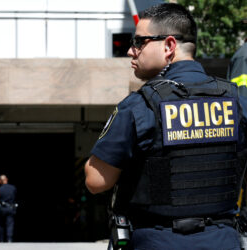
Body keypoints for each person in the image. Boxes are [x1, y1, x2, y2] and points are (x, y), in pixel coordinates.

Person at [84, 3, 247, 250]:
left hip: (158, 240)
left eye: (139, 42)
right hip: (223, 240)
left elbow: (95, 180)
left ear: (169, 45)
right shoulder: (237, 100)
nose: (131, 51)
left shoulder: (140, 106)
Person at [0, 175, 17, 242]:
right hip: (11, 207)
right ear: (7, 179)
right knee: (10, 224)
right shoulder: (13, 188)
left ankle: (1, 239)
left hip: (2, 209)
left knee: (0, 224)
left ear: (0, 181)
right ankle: (9, 238)